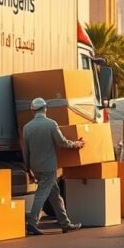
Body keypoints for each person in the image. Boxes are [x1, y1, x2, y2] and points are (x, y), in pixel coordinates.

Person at [22, 97, 85, 235]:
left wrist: (28, 169)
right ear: (45, 108)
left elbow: (25, 151)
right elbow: (62, 142)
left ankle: (65, 224)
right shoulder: (51, 124)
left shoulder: (27, 128)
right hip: (49, 167)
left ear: (32, 111)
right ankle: (32, 222)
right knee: (41, 195)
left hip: (36, 167)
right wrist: (76, 144)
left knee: (55, 196)